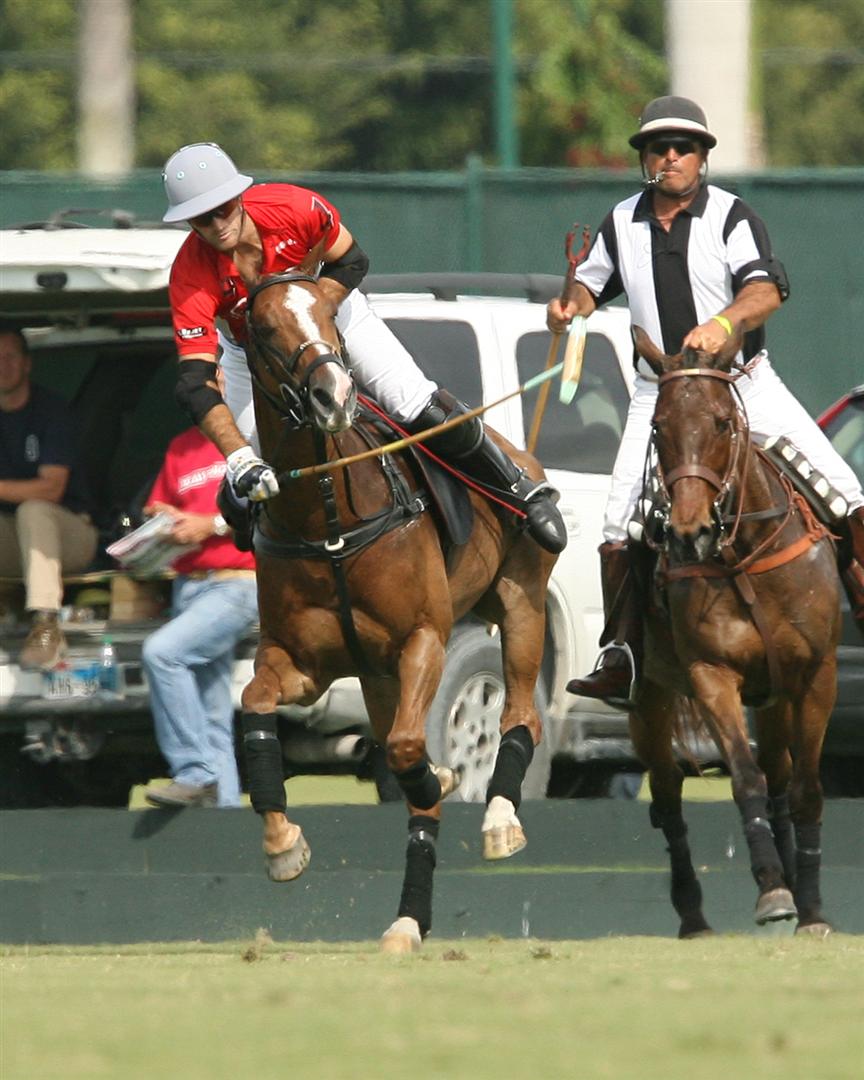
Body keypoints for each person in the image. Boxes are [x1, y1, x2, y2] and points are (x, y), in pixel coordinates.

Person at [548, 96, 864, 708]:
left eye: (684, 147)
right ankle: (622, 653)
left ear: (701, 157)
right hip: (660, 394)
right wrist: (567, 311)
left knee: (843, 492)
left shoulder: (731, 216)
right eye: (659, 147)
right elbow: (587, 288)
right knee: (619, 525)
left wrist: (722, 324)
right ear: (644, 157)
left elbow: (766, 290)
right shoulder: (621, 220)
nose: (672, 157)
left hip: (741, 383)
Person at [159, 141, 567, 555]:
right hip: (250, 348)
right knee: (244, 484)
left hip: (326, 314)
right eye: (201, 219)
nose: (217, 225)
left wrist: (316, 312)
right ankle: (262, 565)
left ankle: (519, 492)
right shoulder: (190, 273)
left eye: (223, 209)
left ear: (239, 196)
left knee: (415, 403)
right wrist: (239, 457)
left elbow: (351, 261)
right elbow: (195, 381)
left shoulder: (296, 208)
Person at [140, 425, 258, 808]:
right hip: (188, 585)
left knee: (162, 653)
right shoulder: (181, 445)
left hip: (239, 580)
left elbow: (272, 504)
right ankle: (226, 829)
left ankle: (195, 772)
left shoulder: (252, 439)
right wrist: (164, 517)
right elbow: (162, 503)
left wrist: (210, 525)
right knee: (211, 714)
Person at [0, 326, 98, 669]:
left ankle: (45, 624)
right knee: (26, 512)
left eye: (10, 356)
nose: (3, 365)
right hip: (15, 542)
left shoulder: (52, 410)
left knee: (34, 509)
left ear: (27, 364)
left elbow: (51, 488)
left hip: (72, 537)